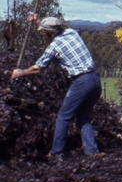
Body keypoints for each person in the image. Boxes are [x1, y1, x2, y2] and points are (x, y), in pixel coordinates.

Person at [11, 13, 101, 158]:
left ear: (49, 33)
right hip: (95, 80)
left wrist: (20, 73)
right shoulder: (71, 33)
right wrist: (37, 22)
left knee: (63, 116)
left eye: (42, 32)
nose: (41, 34)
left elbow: (38, 68)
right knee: (83, 117)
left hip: (82, 82)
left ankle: (56, 152)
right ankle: (92, 152)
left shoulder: (54, 46)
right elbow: (53, 29)